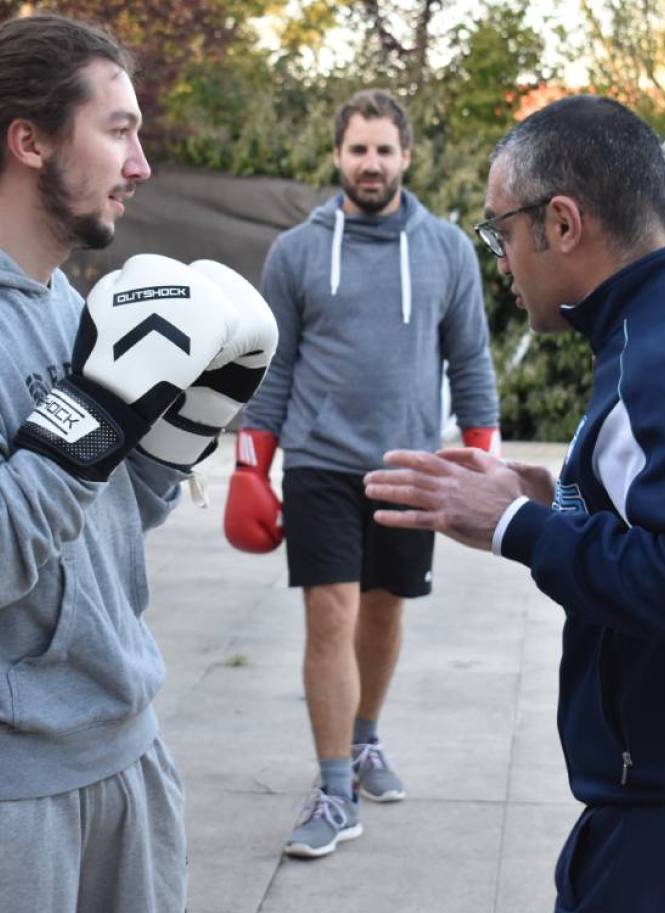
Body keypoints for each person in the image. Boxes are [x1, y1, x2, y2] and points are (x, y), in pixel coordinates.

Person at [0, 14, 275, 912]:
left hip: (123, 754)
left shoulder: (64, 304)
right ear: (28, 141)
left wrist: (189, 416)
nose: (140, 165)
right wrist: (104, 403)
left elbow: (107, 512)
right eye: (119, 131)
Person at [363, 95, 665, 911]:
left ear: (564, 223)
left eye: (501, 232)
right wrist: (564, 497)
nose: (501, 260)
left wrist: (516, 526)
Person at [227, 88, 501, 859]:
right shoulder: (298, 252)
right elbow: (273, 367)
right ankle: (334, 784)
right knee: (333, 612)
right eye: (358, 149)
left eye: (384, 149)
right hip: (319, 463)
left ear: (405, 156)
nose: (371, 163)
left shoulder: (446, 248)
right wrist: (253, 465)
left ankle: (367, 738)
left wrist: (482, 456)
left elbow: (470, 357)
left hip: (410, 465)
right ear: (338, 155)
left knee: (383, 612)